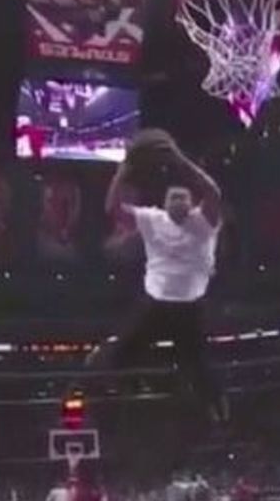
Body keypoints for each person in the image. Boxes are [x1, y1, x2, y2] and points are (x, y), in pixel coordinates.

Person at [88, 129, 227, 422]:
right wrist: (124, 169)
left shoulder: (204, 221)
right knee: (126, 349)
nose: (177, 200)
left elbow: (214, 192)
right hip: (157, 302)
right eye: (172, 197)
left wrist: (180, 160)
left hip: (191, 305)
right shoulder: (153, 219)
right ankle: (108, 382)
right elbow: (111, 208)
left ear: (191, 202)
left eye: (182, 196)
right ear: (164, 203)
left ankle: (216, 406)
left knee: (198, 364)